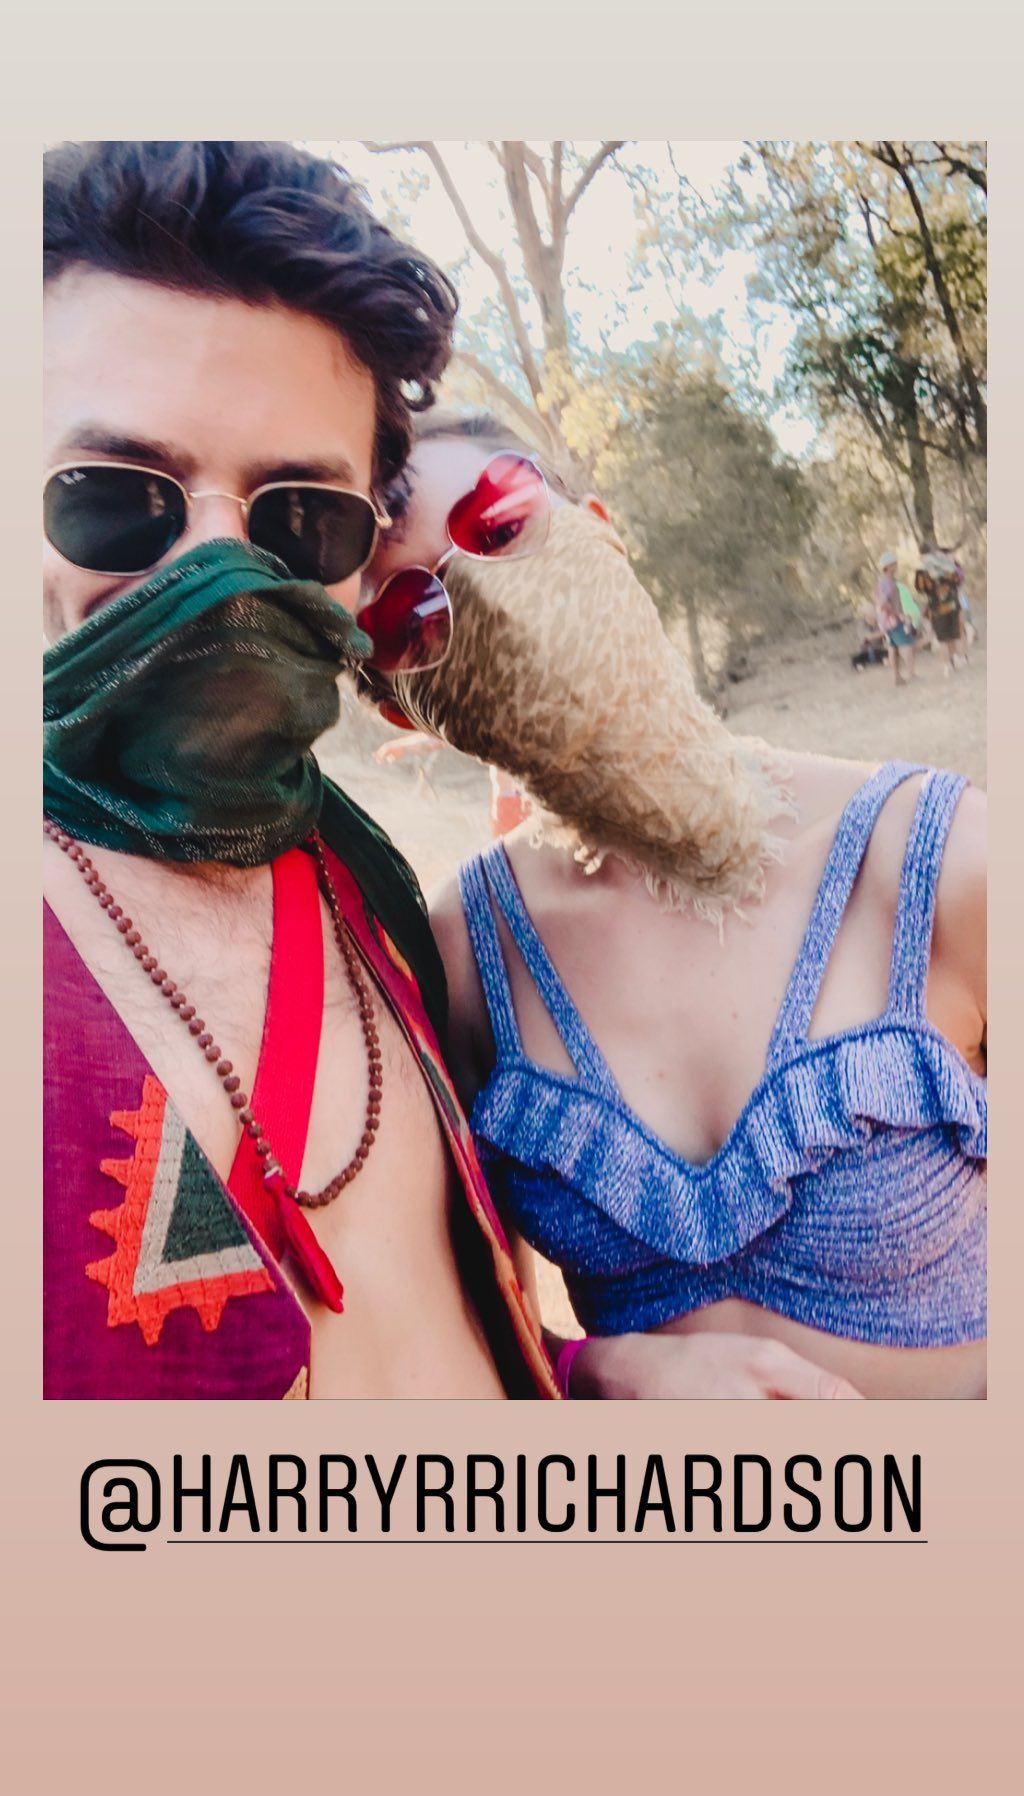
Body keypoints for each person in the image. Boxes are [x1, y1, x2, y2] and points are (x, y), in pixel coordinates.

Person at [43, 143, 850, 1403]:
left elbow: (432, 1324)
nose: (210, 566)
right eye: (115, 497)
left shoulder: (378, 909)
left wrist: (601, 1371)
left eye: (299, 516)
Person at [358, 411, 987, 1400]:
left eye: (500, 523)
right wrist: (600, 1367)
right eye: (410, 616)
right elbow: (476, 1328)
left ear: (601, 528)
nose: (485, 596)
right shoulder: (462, 958)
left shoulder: (940, 858)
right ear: (400, 706)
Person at [873, 553, 916, 685]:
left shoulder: (885, 582)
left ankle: (897, 677)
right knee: (905, 645)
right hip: (893, 620)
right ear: (888, 566)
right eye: (894, 563)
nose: (896, 565)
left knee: (893, 648)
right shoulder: (886, 583)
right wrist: (897, 614)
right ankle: (911, 675)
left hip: (886, 622)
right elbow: (883, 603)